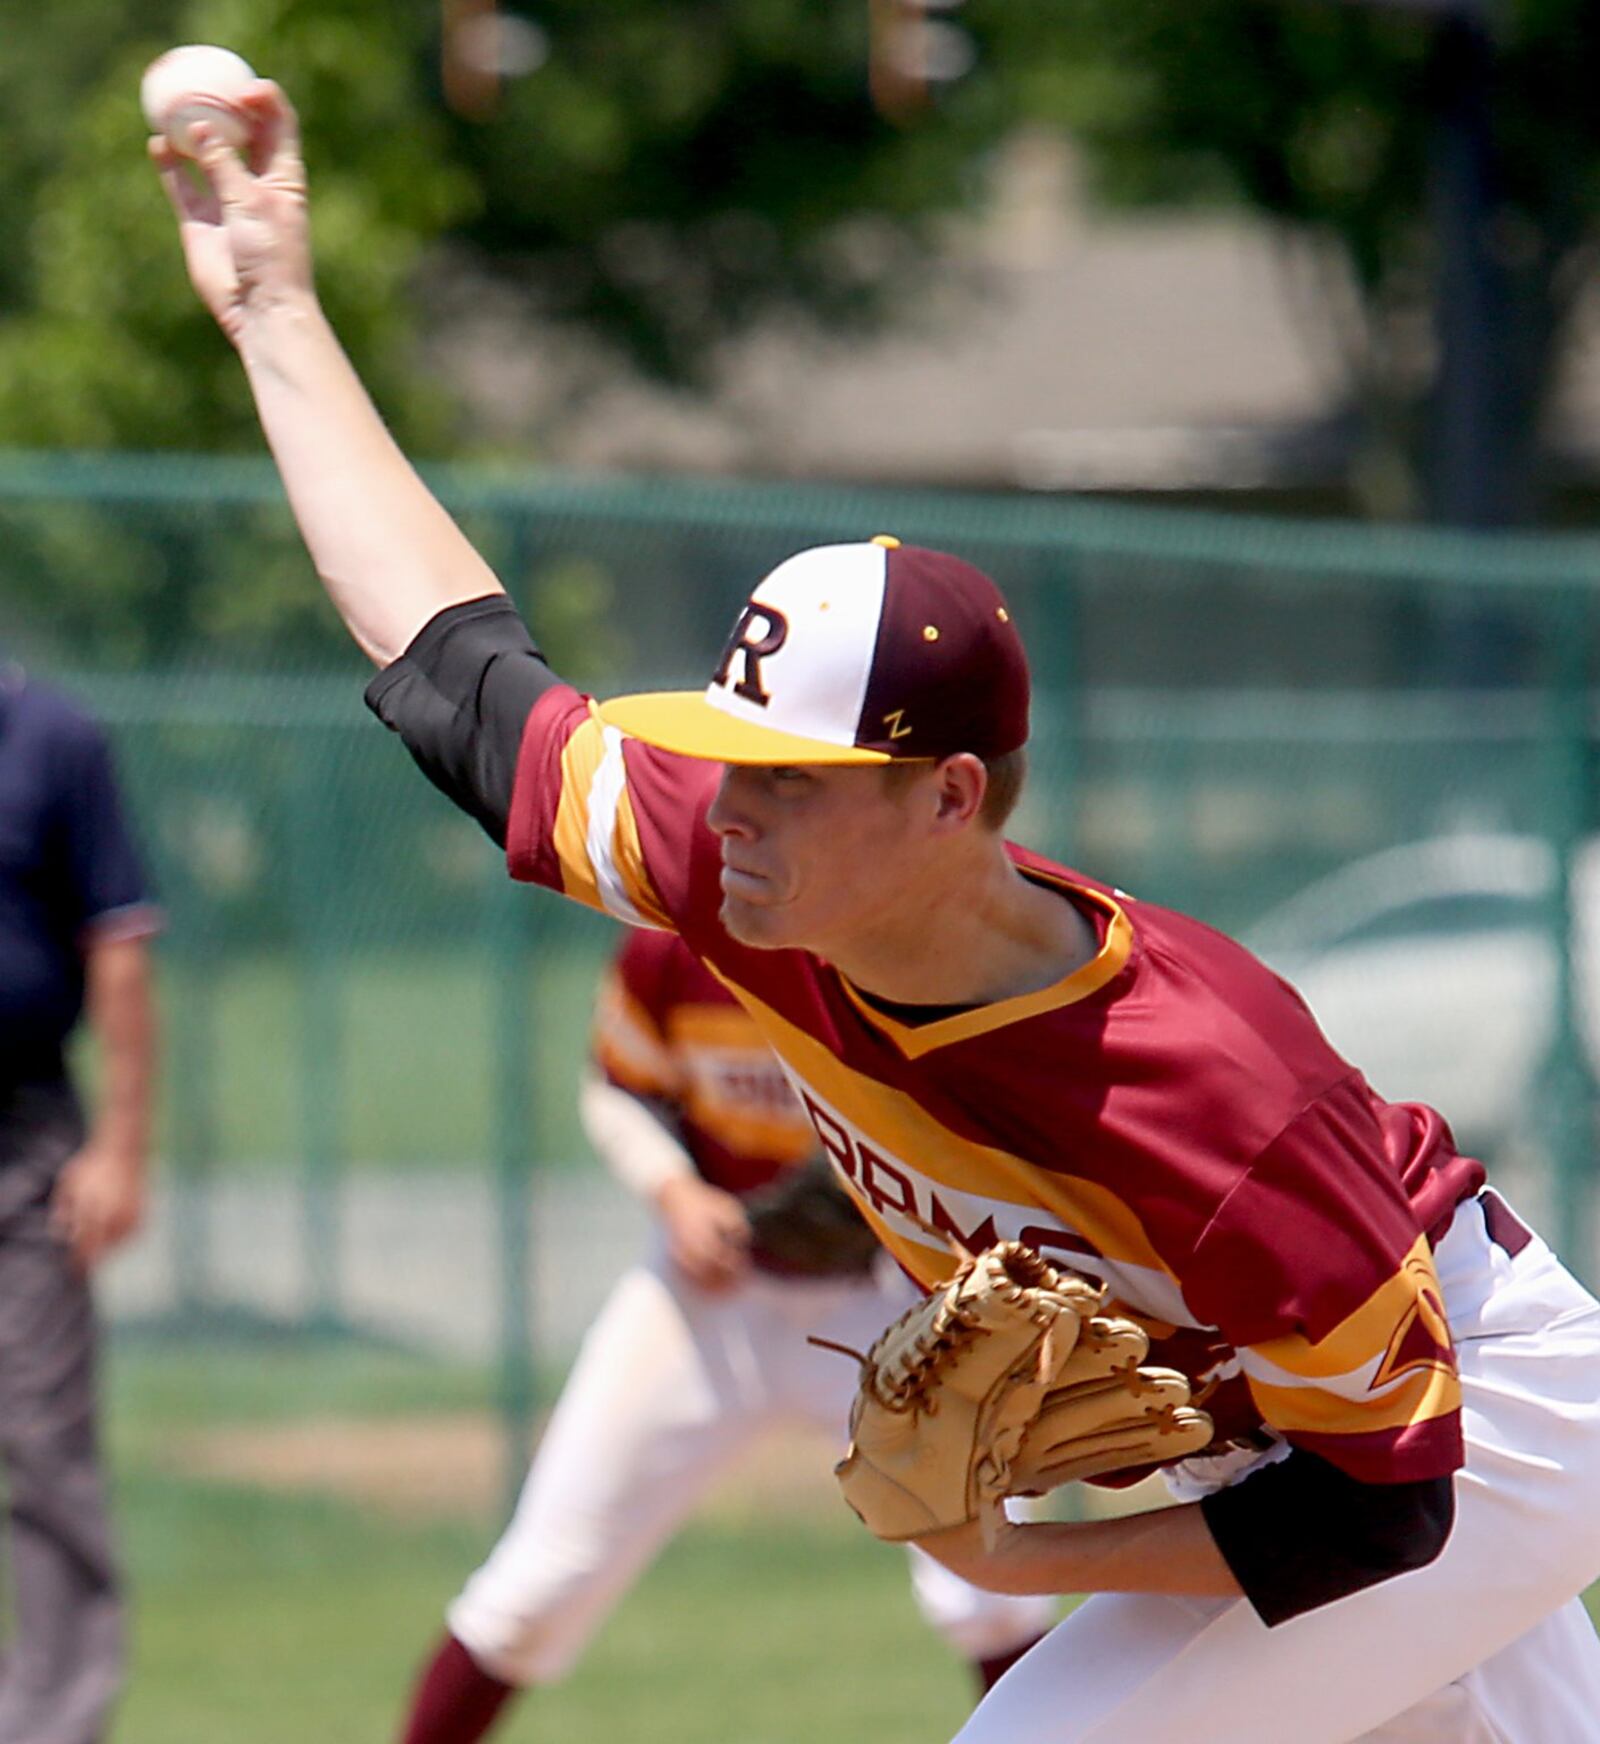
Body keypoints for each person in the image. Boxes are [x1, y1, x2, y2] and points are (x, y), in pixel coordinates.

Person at [153, 87, 1600, 1742]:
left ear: (950, 797)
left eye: (798, 775)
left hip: (1471, 1421)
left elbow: (1379, 1511)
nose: (738, 806)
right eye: (732, 761)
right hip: (1281, 1428)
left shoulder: (1201, 1088)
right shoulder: (740, 871)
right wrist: (274, 308)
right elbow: (460, 678)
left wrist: (1018, 1541)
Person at [397, 927, 1054, 1743]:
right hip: (708, 1303)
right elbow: (619, 1085)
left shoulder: (905, 933)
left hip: (892, 1302)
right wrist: (673, 1192)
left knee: (999, 1593)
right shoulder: (671, 941)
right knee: (532, 1597)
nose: (746, 834)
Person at [0, 659, 158, 1744]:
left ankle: (52, 1729)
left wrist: (120, 1147)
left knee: (46, 1446)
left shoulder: (50, 733)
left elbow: (119, 949)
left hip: (24, 1136)